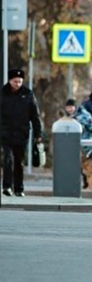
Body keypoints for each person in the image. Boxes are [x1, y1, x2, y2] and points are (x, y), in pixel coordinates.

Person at [1, 68, 43, 197]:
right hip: (5, 133)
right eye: (15, 81)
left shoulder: (28, 94)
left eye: (20, 81)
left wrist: (38, 133)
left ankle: (19, 188)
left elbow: (34, 115)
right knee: (8, 160)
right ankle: (7, 187)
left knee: (19, 162)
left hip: (21, 133)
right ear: (10, 80)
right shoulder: (2, 93)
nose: (17, 84)